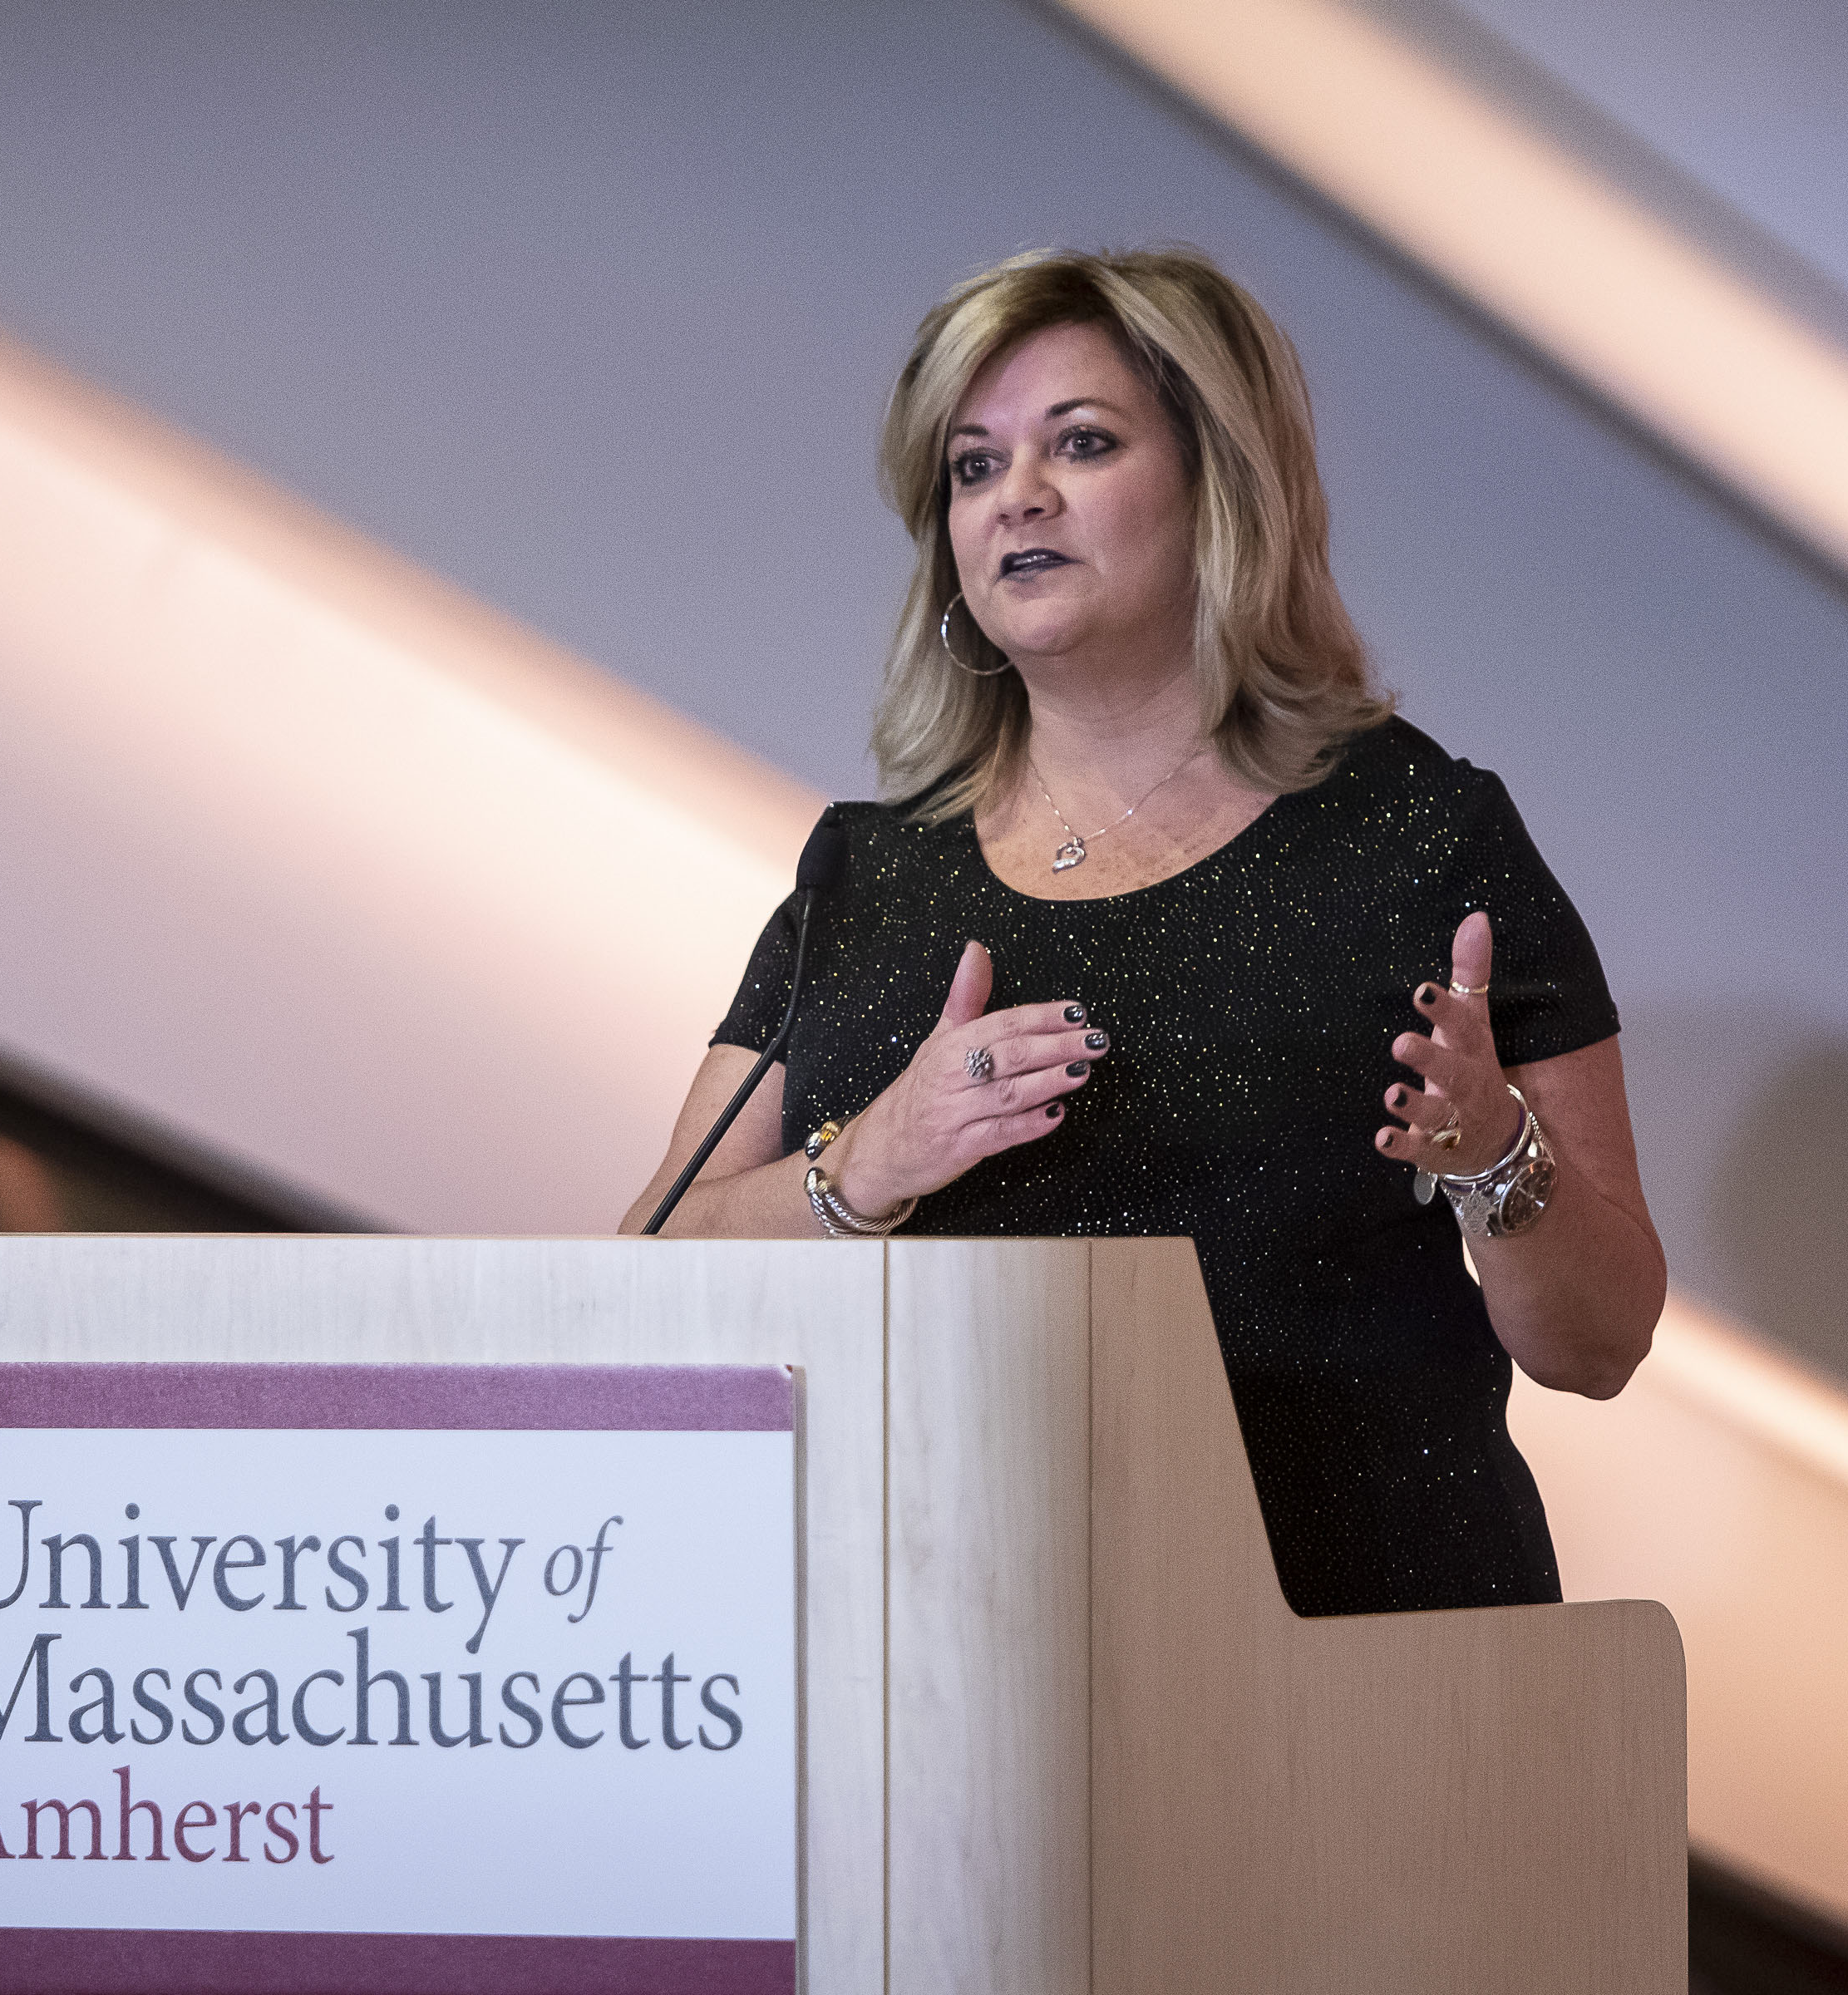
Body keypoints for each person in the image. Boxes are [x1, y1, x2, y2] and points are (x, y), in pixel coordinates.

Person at [620, 248, 1665, 1618]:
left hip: (1359, 1659)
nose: (1018, 496)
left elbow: (1600, 1344)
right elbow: (646, 1282)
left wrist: (1493, 1154)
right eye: (974, 467)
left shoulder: (1415, 833)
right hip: (949, 1641)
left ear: (1217, 487)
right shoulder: (867, 875)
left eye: (1083, 444)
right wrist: (869, 1163)